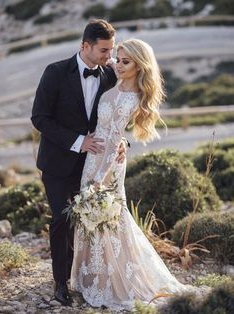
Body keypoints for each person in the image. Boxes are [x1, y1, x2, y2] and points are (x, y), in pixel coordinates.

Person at [70, 39, 193, 311]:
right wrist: (116, 60)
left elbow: (116, 139)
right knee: (90, 217)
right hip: (92, 157)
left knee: (109, 215)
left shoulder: (133, 96)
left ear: (139, 65)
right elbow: (112, 63)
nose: (119, 64)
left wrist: (101, 176)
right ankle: (89, 277)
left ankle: (113, 282)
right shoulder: (115, 76)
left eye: (126, 61)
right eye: (118, 58)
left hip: (109, 163)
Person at [31, 19, 128, 306]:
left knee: (91, 222)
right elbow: (39, 118)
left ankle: (85, 278)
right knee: (63, 219)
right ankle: (60, 283)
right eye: (103, 50)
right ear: (84, 46)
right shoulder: (55, 72)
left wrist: (123, 145)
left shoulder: (110, 76)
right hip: (58, 163)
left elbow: (116, 122)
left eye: (111, 50)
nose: (109, 57)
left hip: (95, 167)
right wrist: (78, 141)